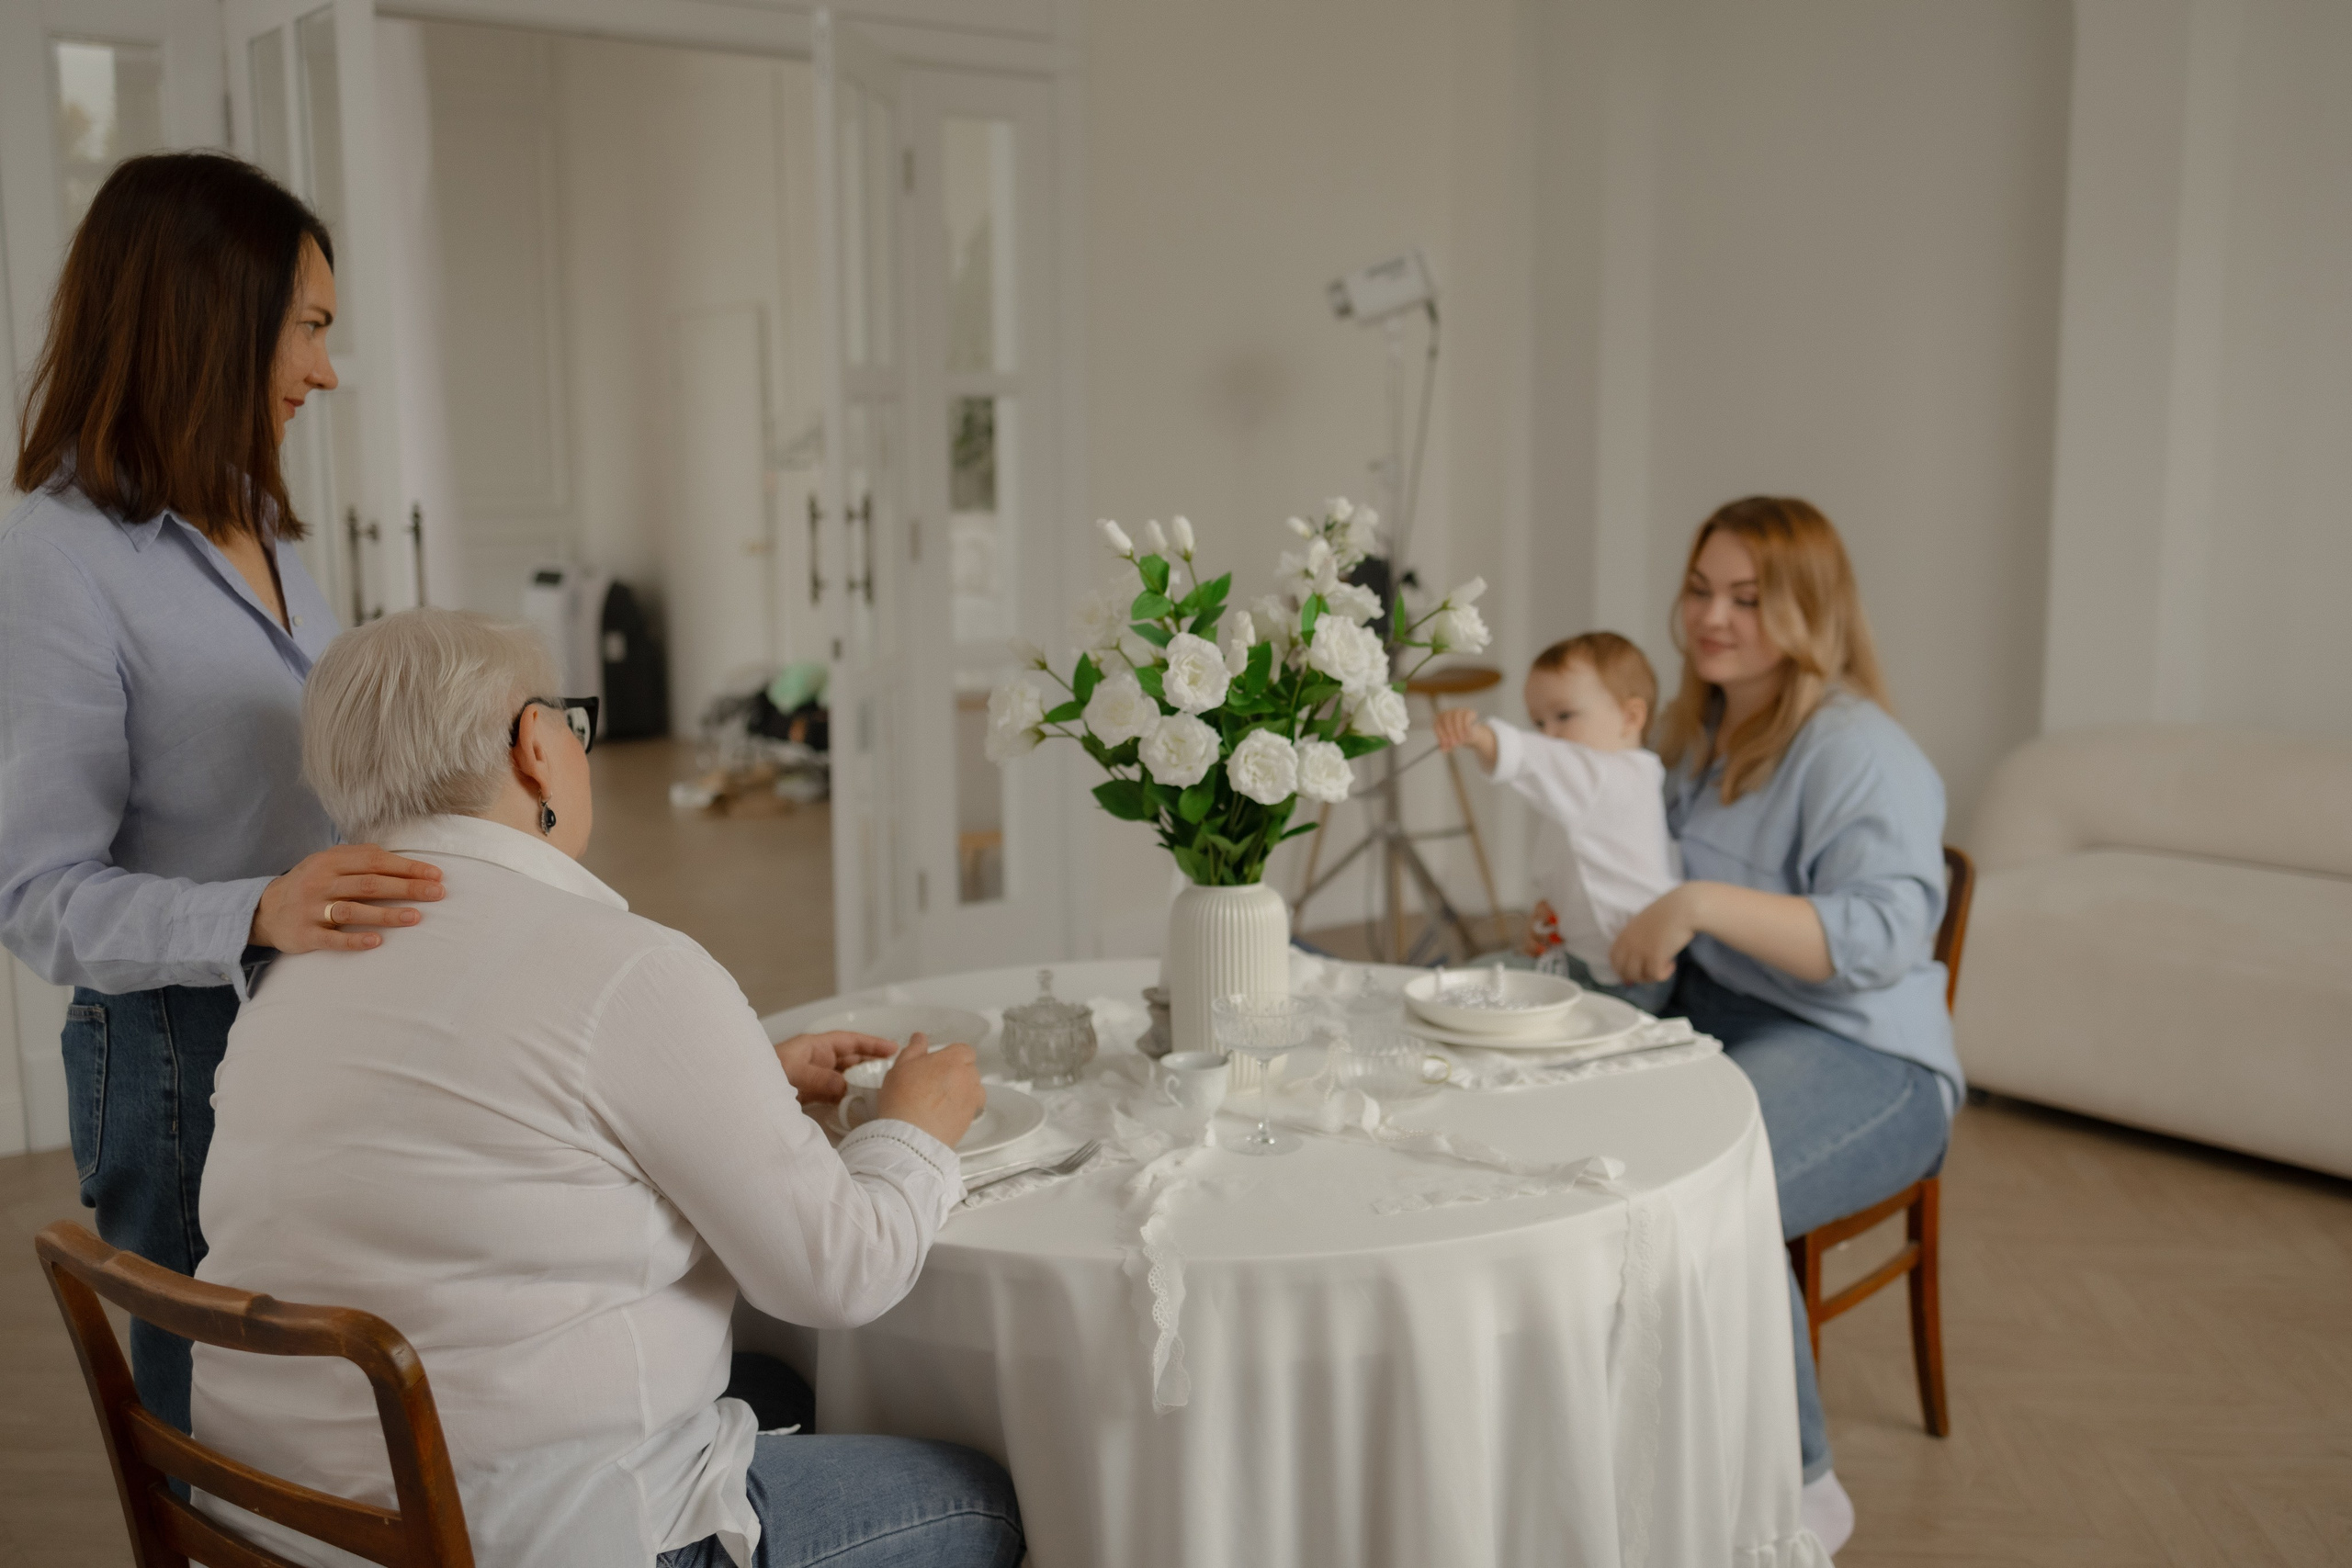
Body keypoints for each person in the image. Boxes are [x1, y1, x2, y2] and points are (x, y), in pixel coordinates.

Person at [190, 608, 1024, 1568]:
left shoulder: (288, 976)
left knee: (777, 1390)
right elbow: (838, 1274)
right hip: (519, 1536)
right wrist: (916, 1130)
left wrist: (741, 1065)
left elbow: (498, 1097)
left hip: (283, 1524)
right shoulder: (626, 972)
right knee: (984, 1500)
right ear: (537, 744)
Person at [0, 152, 446, 1436]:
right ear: (209, 317)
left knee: (312, 1389)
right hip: (173, 1055)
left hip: (317, 1007)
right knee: (214, 1417)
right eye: (308, 327)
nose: (325, 369)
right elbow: (37, 895)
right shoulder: (58, 561)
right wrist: (259, 906)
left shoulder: (261, 518)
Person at [1609, 496, 1963, 1556]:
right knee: (1585, 1161)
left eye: (1747, 599)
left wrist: (1701, 904)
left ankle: (1800, 1491)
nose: (1712, 617)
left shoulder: (1856, 747)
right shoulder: (1699, 732)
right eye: (1700, 589)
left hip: (1867, 1054)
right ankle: (1632, 1460)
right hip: (1722, 1016)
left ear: (1809, 611)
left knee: (1704, 1188)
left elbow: (1889, 934)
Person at [1431, 632, 1679, 1012]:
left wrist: (1479, 736)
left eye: (1564, 716)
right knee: (1469, 985)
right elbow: (1587, 865)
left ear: (1631, 717)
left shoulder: (1610, 776)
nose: (1550, 735)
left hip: (1622, 978)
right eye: (1539, 722)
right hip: (1581, 960)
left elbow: (1534, 758)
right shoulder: (1601, 787)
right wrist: (1550, 913)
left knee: (1469, 994)